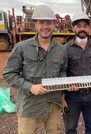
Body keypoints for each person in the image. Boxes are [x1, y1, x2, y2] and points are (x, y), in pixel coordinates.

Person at [2, 5, 68, 134]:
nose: (45, 26)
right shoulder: (21, 47)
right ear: (35, 25)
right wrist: (30, 87)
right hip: (29, 106)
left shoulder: (61, 49)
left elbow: (63, 71)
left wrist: (65, 89)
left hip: (53, 104)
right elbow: (9, 74)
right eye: (41, 22)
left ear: (54, 24)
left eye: (49, 22)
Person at [62, 11, 91, 134]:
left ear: (89, 28)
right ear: (73, 28)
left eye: (85, 26)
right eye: (78, 26)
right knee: (70, 128)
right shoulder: (65, 49)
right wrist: (61, 97)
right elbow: (61, 73)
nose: (82, 29)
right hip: (72, 96)